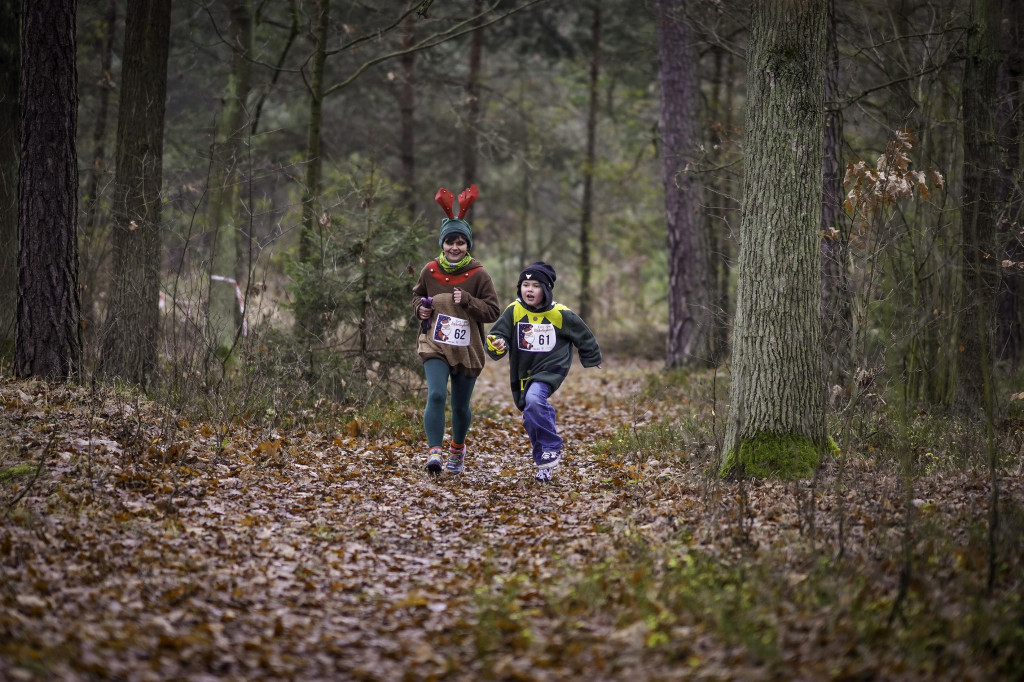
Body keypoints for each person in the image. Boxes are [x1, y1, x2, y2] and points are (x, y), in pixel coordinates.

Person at [485, 261, 602, 482]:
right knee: (530, 414)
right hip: (523, 372)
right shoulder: (514, 310)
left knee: (534, 400)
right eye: (525, 284)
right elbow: (497, 335)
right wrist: (497, 344)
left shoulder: (561, 313)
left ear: (546, 289)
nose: (529, 289)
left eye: (536, 285)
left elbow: (584, 335)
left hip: (551, 369)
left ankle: (551, 445)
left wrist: (592, 358)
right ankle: (545, 465)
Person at [413, 185, 501, 475]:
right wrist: (420, 309)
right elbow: (417, 296)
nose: (454, 247)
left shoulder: (478, 274)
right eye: (449, 241)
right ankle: (434, 453)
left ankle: (457, 448)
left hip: (466, 347)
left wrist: (469, 301)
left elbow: (493, 311)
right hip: (434, 343)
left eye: (461, 242)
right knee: (437, 395)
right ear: (442, 243)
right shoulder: (430, 271)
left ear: (468, 245)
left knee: (461, 406)